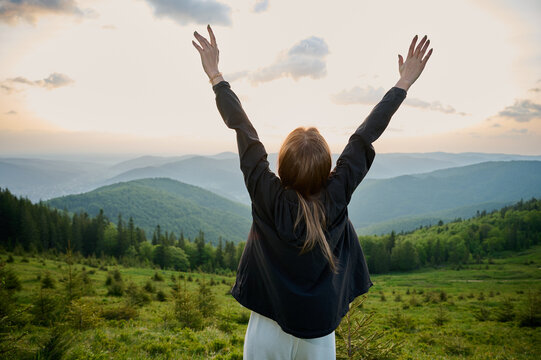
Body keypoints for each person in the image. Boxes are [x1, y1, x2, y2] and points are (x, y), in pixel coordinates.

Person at [192, 25, 432, 360]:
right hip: (318, 333)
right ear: (326, 167)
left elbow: (244, 130)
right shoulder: (336, 195)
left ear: (283, 164)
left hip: (266, 326)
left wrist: (215, 74)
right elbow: (364, 137)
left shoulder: (266, 195)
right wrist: (403, 83)